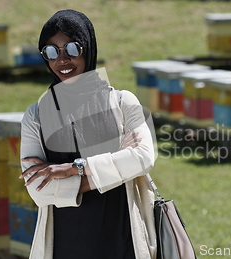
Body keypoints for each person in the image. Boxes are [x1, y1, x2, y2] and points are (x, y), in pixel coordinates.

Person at [19, 9, 157, 259]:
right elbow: (38, 190)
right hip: (65, 245)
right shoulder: (36, 116)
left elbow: (144, 159)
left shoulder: (123, 103)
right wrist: (115, 170)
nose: (62, 59)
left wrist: (72, 169)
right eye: (51, 51)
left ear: (88, 48)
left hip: (123, 242)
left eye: (72, 48)